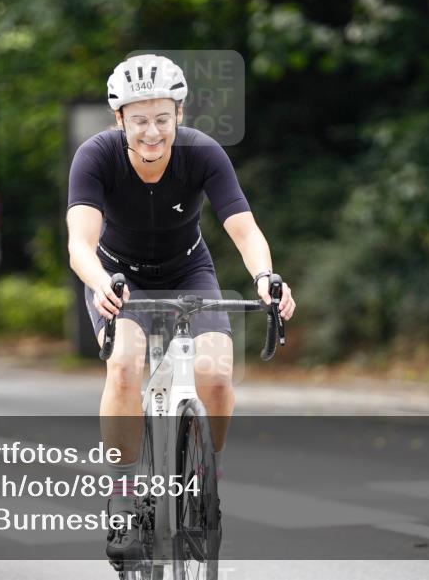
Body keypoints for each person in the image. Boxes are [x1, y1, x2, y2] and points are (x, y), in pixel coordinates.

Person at [65, 53, 295, 563]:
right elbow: (80, 244)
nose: (152, 132)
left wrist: (264, 277)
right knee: (125, 364)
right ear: (119, 119)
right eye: (140, 120)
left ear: (180, 115)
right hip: (117, 277)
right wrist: (101, 282)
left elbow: (243, 227)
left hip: (188, 270)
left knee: (216, 374)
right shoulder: (96, 157)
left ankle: (202, 477)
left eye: (162, 119)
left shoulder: (203, 153)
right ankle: (123, 499)